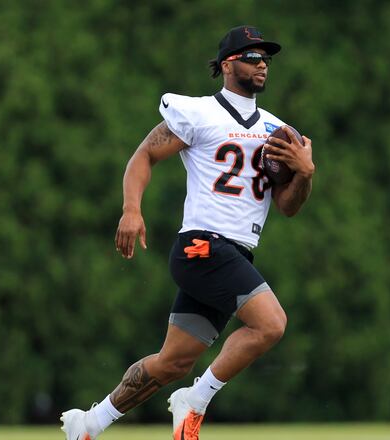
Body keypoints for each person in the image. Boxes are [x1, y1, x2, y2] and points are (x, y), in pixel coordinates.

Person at [61, 25, 315, 440]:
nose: (263, 64)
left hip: (235, 253)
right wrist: (131, 209)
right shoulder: (197, 112)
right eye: (253, 57)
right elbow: (144, 155)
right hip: (203, 246)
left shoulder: (278, 131)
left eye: (266, 58)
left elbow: (288, 206)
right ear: (229, 64)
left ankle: (88, 423)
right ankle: (194, 401)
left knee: (172, 363)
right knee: (271, 324)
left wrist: (304, 174)